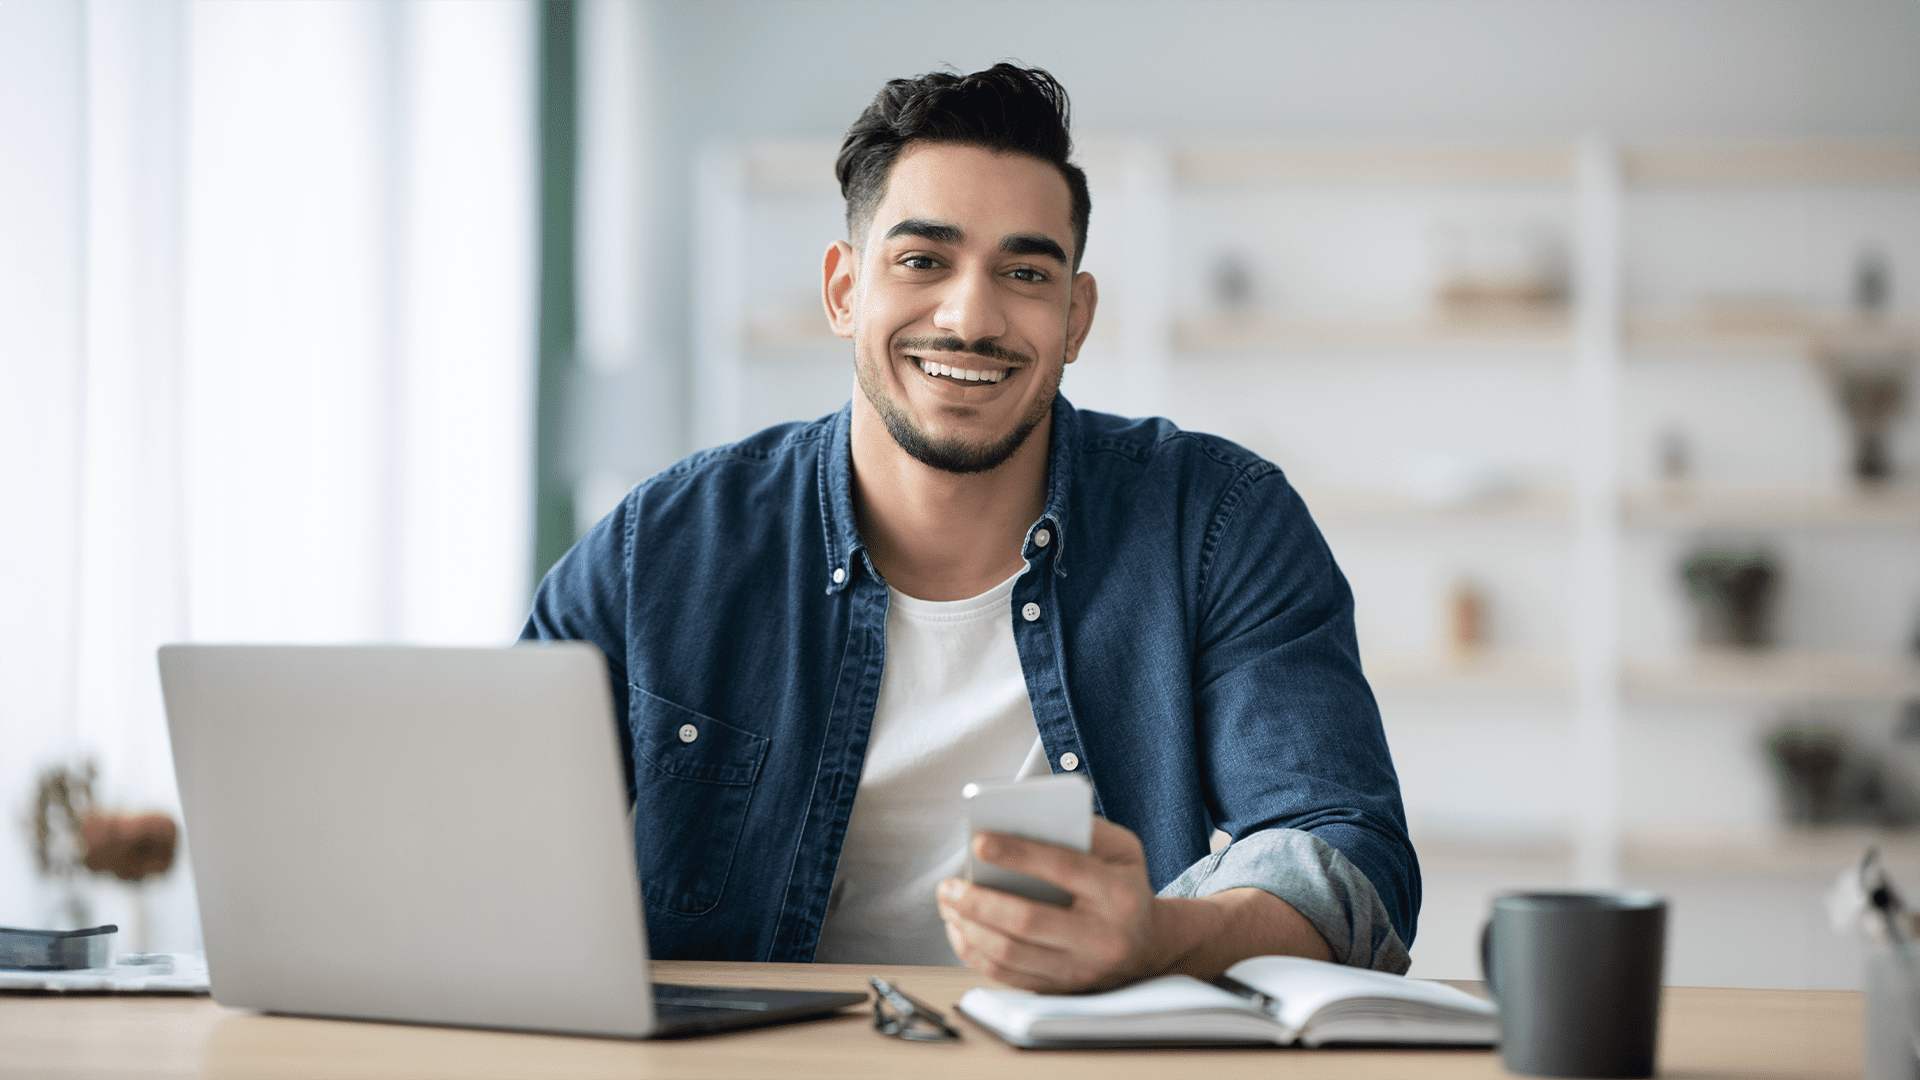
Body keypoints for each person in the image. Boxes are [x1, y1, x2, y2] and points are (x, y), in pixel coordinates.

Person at [523, 63, 1418, 992]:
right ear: (843, 291)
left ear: (1075, 317)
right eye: (922, 260)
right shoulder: (663, 546)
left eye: (1025, 273)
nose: (971, 317)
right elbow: (493, 838)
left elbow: (1349, 855)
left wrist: (1158, 936)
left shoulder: (1218, 519)